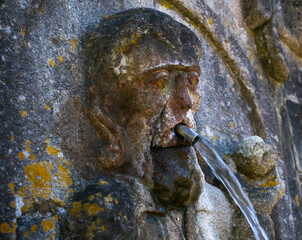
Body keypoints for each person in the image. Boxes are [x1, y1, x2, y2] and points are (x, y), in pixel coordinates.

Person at [64, 8, 207, 239]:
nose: (186, 101)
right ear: (106, 108)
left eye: (191, 81)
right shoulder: (108, 210)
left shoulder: (213, 209)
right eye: (160, 80)